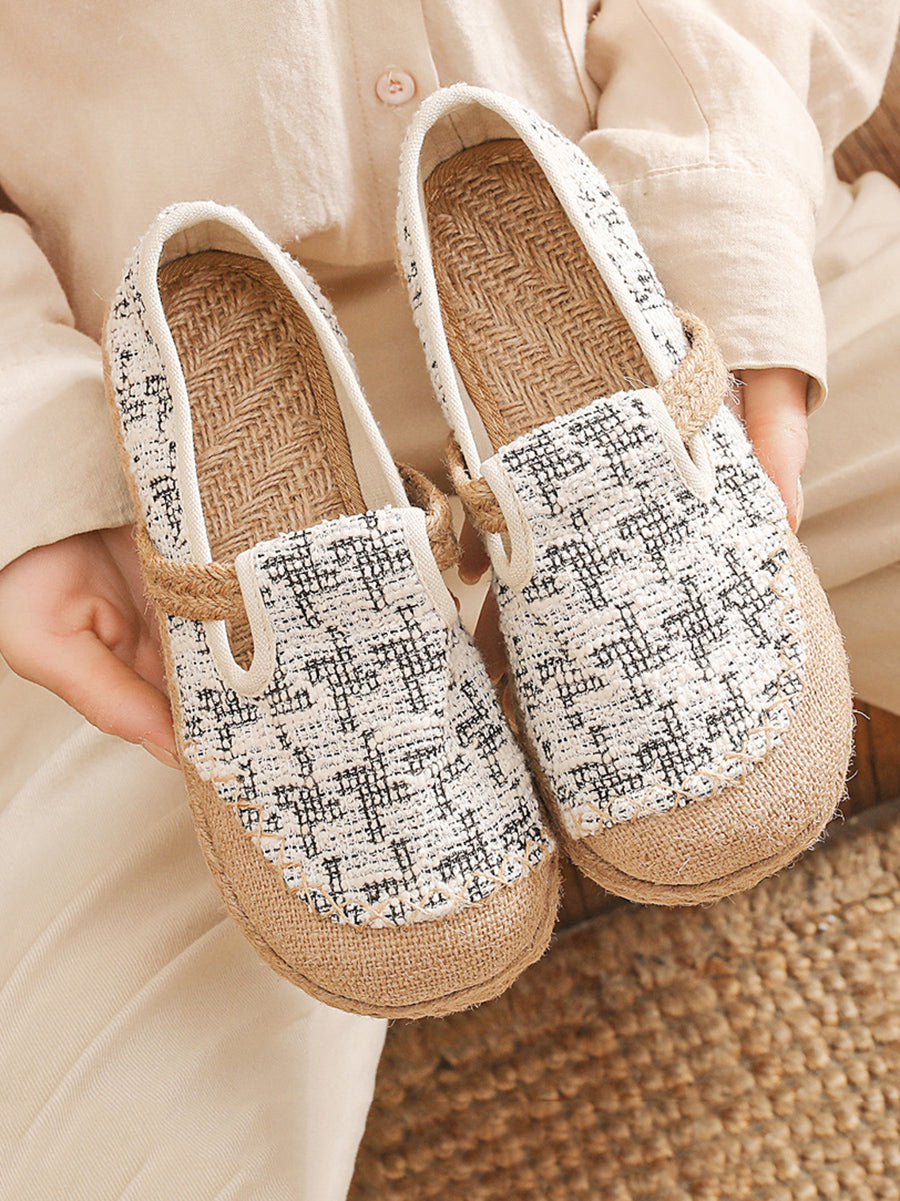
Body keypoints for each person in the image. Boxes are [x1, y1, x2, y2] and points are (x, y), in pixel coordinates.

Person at [0, 3, 898, 1198]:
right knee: (129, 1163)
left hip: (631, 252)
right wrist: (26, 460)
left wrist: (723, 216)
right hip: (165, 446)